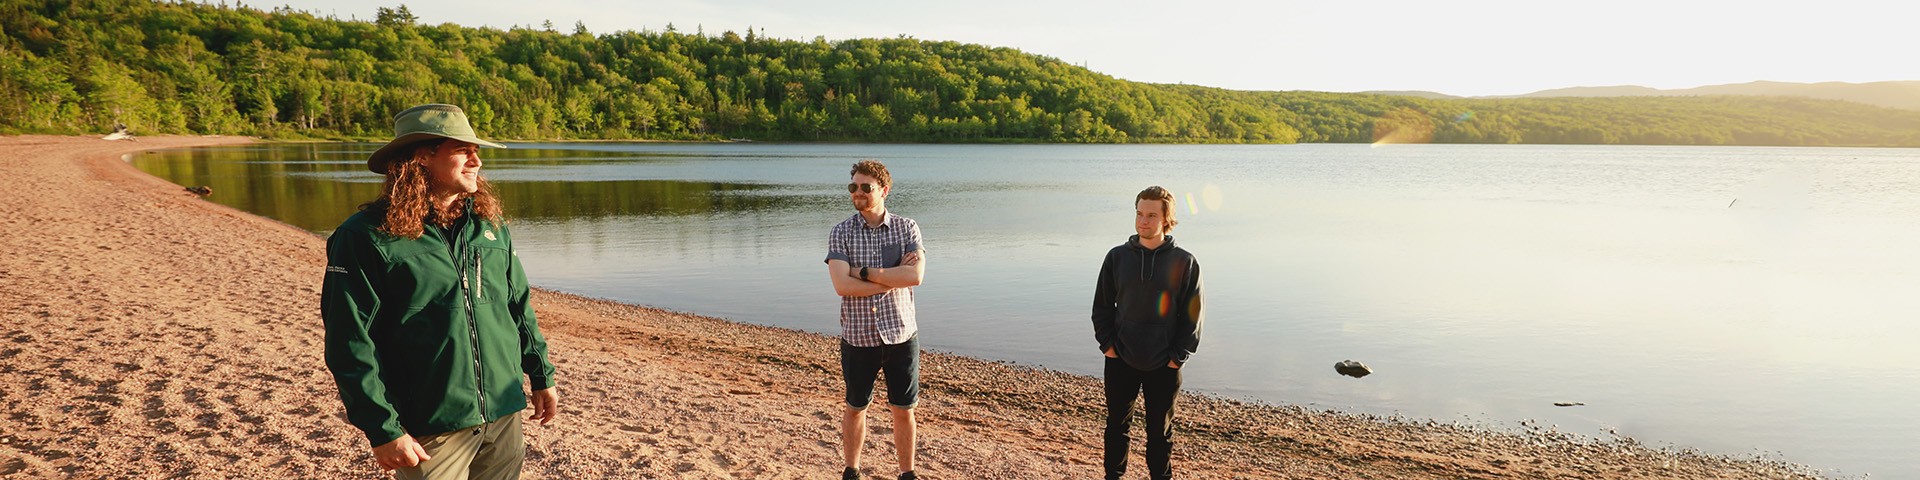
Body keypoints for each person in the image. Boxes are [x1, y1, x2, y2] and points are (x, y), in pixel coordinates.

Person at [322, 104, 559, 480]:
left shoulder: (488, 227)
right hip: (430, 427)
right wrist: (383, 429)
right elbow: (348, 341)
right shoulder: (364, 236)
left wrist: (541, 374)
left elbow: (518, 306)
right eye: (463, 150)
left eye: (476, 151)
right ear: (421, 156)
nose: (476, 161)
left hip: (502, 413)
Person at [1092, 185, 1204, 480]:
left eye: (1152, 215)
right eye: (1140, 214)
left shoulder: (1184, 261)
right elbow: (1102, 308)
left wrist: (1177, 358)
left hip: (1164, 363)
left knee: (1160, 431)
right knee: (1116, 426)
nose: (1143, 221)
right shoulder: (1116, 257)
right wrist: (1109, 348)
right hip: (1120, 359)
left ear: (1167, 219)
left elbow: (1192, 317)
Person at [824, 160, 927, 480]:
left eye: (865, 187)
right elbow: (842, 285)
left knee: (903, 410)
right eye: (853, 186)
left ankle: (907, 474)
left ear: (884, 190)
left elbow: (916, 276)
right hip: (858, 335)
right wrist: (891, 278)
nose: (857, 192)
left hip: (901, 335)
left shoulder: (907, 228)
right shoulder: (841, 232)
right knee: (856, 407)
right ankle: (851, 471)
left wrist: (862, 272)